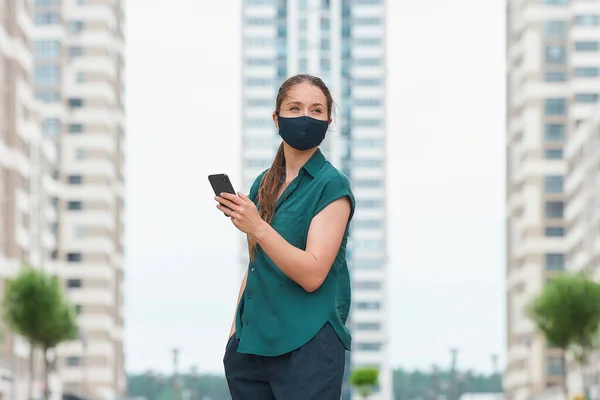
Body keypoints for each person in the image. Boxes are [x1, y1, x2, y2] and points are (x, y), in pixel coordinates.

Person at [214, 74, 355, 400]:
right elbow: (256, 267)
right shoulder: (263, 185)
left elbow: (312, 274)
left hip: (308, 348)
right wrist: (235, 335)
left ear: (328, 121)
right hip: (251, 350)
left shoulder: (331, 186)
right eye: (295, 107)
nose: (306, 116)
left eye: (316, 110)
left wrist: (258, 226)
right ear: (277, 118)